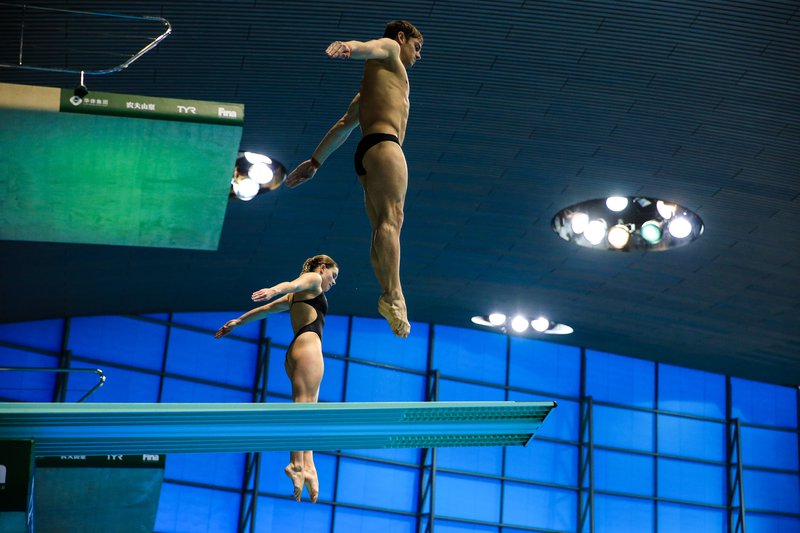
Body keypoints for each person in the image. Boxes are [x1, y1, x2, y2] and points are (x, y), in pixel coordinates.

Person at [285, 20, 423, 339]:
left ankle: (389, 294)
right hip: (386, 146)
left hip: (365, 152)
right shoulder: (390, 50)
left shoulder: (373, 86)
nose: (418, 56)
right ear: (401, 38)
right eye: (416, 47)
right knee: (393, 220)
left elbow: (346, 124)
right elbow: (370, 45)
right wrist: (349, 46)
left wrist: (315, 161)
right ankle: (394, 296)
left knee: (381, 227)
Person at [215, 254, 339, 503]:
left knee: (307, 410)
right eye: (333, 276)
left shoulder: (297, 298)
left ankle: (308, 465)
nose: (333, 282)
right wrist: (272, 289)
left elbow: (267, 309)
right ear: (322, 268)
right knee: (305, 409)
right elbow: (291, 284)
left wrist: (238, 321)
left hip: (295, 350)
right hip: (308, 346)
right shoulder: (313, 279)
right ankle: (296, 463)